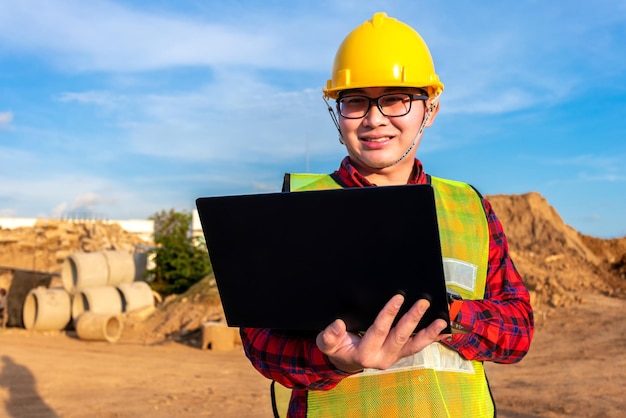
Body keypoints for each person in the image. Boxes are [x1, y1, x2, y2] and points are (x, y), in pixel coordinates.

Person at [240, 12, 534, 417]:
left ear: (430, 109)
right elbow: (260, 340)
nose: (374, 119)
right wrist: (333, 360)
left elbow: (518, 331)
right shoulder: (299, 207)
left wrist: (444, 314)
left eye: (395, 99)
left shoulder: (469, 208)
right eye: (355, 101)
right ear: (336, 112)